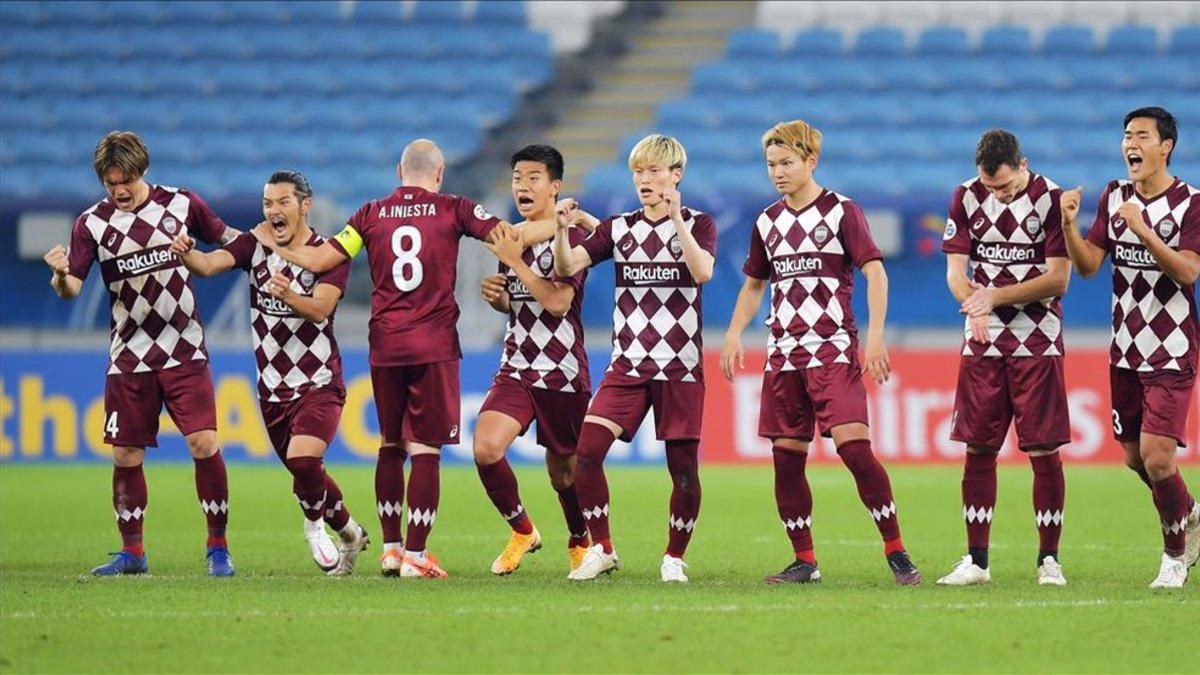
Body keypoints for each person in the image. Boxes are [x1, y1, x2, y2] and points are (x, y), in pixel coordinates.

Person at [252, 139, 552, 579]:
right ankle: (416, 554)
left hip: (386, 346)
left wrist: (275, 244)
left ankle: (391, 550)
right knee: (426, 449)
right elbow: (511, 238)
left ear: (398, 171)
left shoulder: (370, 214)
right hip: (432, 346)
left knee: (391, 446)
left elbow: (318, 259)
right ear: (440, 172)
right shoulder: (454, 208)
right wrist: (561, 226)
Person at [719, 119, 920, 585]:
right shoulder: (766, 221)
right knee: (786, 457)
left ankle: (896, 550)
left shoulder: (842, 212)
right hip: (784, 355)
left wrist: (874, 337)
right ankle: (805, 560)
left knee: (855, 449)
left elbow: (875, 273)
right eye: (771, 164)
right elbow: (753, 285)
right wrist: (733, 333)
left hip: (831, 351)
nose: (777, 172)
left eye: (786, 162)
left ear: (811, 161)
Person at [42, 131, 237, 576]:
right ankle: (132, 552)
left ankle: (218, 547)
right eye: (111, 183)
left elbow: (230, 239)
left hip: (185, 347)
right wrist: (57, 274)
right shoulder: (91, 223)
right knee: (125, 455)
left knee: (203, 442)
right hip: (129, 355)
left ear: (142, 170)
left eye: (126, 179)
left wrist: (269, 247)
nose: (120, 190)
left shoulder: (181, 204)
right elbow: (71, 288)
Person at [170, 170, 369, 576]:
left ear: (304, 206)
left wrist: (288, 294)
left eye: (282, 202)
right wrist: (186, 252)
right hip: (272, 390)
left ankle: (314, 528)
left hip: (319, 382)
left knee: (303, 459)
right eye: (267, 204)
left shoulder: (330, 253)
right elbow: (208, 266)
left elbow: (320, 310)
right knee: (306, 470)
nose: (273, 211)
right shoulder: (254, 244)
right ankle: (350, 531)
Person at [552, 134, 714, 583]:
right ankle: (602, 549)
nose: (645, 179)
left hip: (679, 366)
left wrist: (677, 218)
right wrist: (564, 230)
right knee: (586, 453)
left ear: (676, 176)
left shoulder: (699, 224)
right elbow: (567, 267)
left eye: (654, 171)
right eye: (639, 172)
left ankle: (674, 556)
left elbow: (702, 272)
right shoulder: (619, 228)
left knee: (682, 471)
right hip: (628, 364)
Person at [1061, 106, 1200, 588]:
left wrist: (1143, 230)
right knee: (1134, 458)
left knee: (1159, 457)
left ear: (1166, 147)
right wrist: (1069, 227)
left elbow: (1187, 272)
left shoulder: (1189, 203)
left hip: (1173, 349)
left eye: (1141, 135)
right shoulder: (1115, 196)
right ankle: (1189, 512)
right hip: (1125, 348)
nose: (1130, 144)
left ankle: (1174, 558)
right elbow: (1088, 266)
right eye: (1126, 135)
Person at [937, 129, 1071, 587]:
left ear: (1024, 165)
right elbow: (956, 271)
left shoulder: (1051, 200)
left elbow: (1058, 280)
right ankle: (977, 561)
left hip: (1038, 340)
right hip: (982, 339)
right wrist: (973, 303)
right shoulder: (965, 197)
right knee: (978, 447)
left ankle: (1048, 560)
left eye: (1006, 187)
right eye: (990, 187)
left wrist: (992, 297)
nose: (998, 195)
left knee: (1042, 449)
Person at [474, 145, 593, 575]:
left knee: (564, 474)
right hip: (517, 366)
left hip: (561, 370)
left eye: (533, 177)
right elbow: (524, 301)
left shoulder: (572, 238)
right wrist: (502, 299)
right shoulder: (514, 237)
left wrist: (514, 266)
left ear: (555, 186)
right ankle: (523, 530)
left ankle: (580, 538)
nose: (522, 185)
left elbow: (559, 302)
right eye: (516, 178)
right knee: (486, 449)